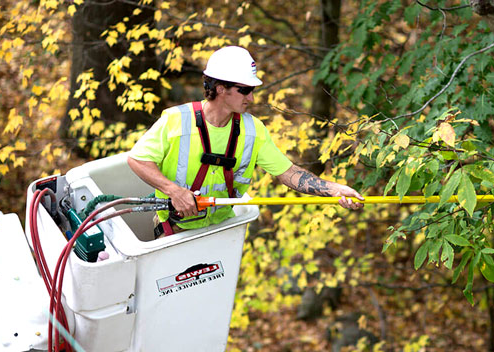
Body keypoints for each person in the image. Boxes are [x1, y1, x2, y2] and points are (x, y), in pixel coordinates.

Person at [127, 46, 363, 237]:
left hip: (222, 229)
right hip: (176, 231)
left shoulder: (253, 131)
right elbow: (137, 159)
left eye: (252, 90)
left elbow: (288, 173)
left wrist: (334, 190)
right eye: (244, 90)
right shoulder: (177, 120)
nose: (251, 97)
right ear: (220, 88)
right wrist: (174, 191)